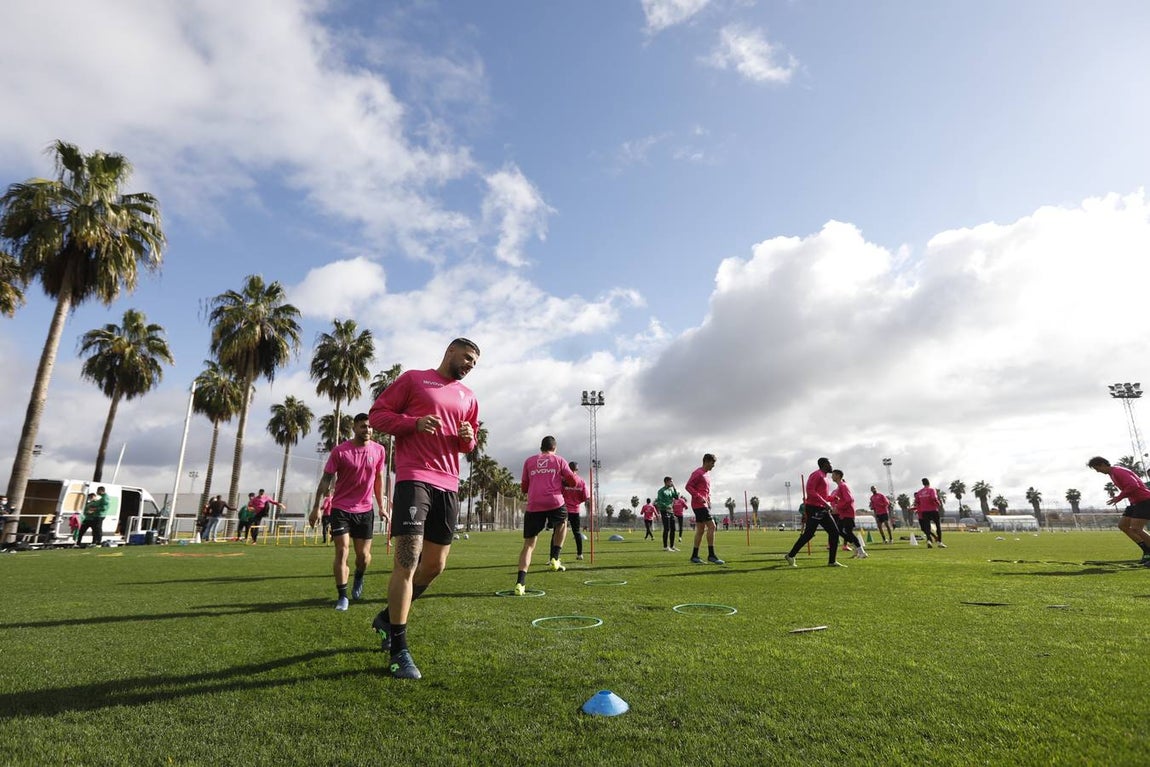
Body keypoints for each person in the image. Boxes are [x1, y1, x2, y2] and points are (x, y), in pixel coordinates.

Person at [368, 337, 480, 680]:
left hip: (449, 484)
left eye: (475, 363)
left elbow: (468, 443)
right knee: (407, 560)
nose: (470, 365)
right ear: (450, 351)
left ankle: (386, 618)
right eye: (467, 358)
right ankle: (399, 648)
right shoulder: (414, 379)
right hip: (414, 477)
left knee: (434, 565)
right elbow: (377, 416)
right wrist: (412, 423)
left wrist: (467, 437)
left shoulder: (469, 396)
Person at [309, 413, 388, 611]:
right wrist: (316, 507)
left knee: (363, 557)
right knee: (342, 550)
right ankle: (342, 596)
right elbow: (326, 479)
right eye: (363, 426)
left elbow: (379, 479)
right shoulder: (340, 451)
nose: (367, 430)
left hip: (365, 510)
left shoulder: (379, 450)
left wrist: (381, 506)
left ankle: (359, 575)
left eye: (369, 427)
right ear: (354, 428)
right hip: (341, 508)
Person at [514, 436, 577, 595]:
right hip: (554, 501)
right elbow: (573, 481)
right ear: (554, 448)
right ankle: (555, 557)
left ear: (541, 448)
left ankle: (520, 584)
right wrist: (562, 481)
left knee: (528, 545)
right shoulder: (559, 460)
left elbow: (524, 487)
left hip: (534, 504)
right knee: (563, 522)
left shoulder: (529, 461)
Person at [785, 458, 862, 567]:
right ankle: (791, 555)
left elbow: (823, 496)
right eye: (830, 464)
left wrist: (832, 498)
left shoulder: (825, 477)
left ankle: (832, 561)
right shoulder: (817, 475)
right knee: (808, 534)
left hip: (822, 509)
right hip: (814, 508)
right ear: (824, 464)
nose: (831, 466)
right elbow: (810, 491)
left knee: (834, 533)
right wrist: (825, 503)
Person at [1088, 456, 1150, 565]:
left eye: (1097, 468)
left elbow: (1133, 485)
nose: (1097, 471)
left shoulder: (1118, 471)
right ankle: (1147, 551)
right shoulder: (1112, 473)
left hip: (1144, 500)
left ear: (1103, 464)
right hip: (1135, 502)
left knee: (1136, 528)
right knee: (1123, 526)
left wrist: (1119, 497)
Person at [685, 454, 724, 564]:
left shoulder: (707, 474)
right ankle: (711, 555)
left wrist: (708, 500)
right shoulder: (698, 473)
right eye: (712, 463)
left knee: (700, 530)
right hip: (699, 505)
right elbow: (688, 486)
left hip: (703, 504)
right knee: (712, 526)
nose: (713, 465)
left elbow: (705, 490)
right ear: (706, 461)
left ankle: (694, 556)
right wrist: (699, 497)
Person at [830, 470, 868, 559]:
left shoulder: (843, 486)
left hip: (848, 513)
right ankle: (857, 548)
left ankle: (862, 552)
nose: (831, 477)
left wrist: (837, 508)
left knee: (848, 532)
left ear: (838, 476)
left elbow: (849, 500)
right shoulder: (839, 487)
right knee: (839, 531)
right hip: (843, 514)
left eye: (833, 475)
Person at [562, 460, 589, 560]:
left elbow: (558, 493)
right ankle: (580, 554)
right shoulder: (581, 481)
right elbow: (585, 497)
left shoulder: (563, 480)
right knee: (577, 532)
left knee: (557, 533)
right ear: (577, 470)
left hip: (563, 510)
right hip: (575, 511)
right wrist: (576, 501)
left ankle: (554, 556)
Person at [913, 478, 946, 548]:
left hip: (924, 511)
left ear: (923, 484)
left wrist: (922, 506)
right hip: (933, 510)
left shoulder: (919, 492)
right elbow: (934, 498)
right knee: (938, 526)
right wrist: (938, 503)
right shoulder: (932, 490)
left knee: (927, 527)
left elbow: (917, 501)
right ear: (929, 483)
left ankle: (929, 541)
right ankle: (939, 542)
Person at [655, 476, 680, 551]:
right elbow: (659, 502)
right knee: (666, 529)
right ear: (666, 482)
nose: (672, 482)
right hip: (664, 511)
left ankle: (672, 546)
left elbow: (677, 497)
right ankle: (665, 547)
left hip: (671, 511)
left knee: (673, 529)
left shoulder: (670, 490)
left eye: (672, 481)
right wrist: (666, 506)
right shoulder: (661, 491)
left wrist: (674, 488)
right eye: (670, 481)